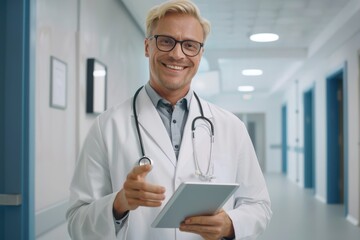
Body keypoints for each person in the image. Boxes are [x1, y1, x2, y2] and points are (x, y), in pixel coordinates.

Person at [66, 0, 272, 239]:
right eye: (166, 41)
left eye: (190, 45)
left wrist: (231, 224)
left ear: (200, 53)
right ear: (147, 47)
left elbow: (259, 206)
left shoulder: (231, 127)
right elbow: (76, 222)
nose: (177, 53)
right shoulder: (107, 126)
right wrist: (119, 203)